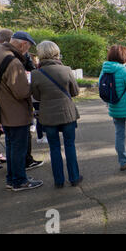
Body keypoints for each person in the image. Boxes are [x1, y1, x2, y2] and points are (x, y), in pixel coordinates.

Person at [0, 31, 43, 191]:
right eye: (28, 48)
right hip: (16, 112)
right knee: (18, 148)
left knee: (10, 146)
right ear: (23, 45)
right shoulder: (13, 61)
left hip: (1, 109)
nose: (27, 52)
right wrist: (32, 85)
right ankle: (19, 181)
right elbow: (22, 92)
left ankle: (12, 178)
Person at [31, 41, 82, 188]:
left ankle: (58, 181)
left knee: (54, 148)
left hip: (47, 115)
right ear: (56, 52)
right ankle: (74, 177)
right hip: (67, 113)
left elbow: (37, 96)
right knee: (69, 145)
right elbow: (75, 92)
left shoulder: (36, 73)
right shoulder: (66, 70)